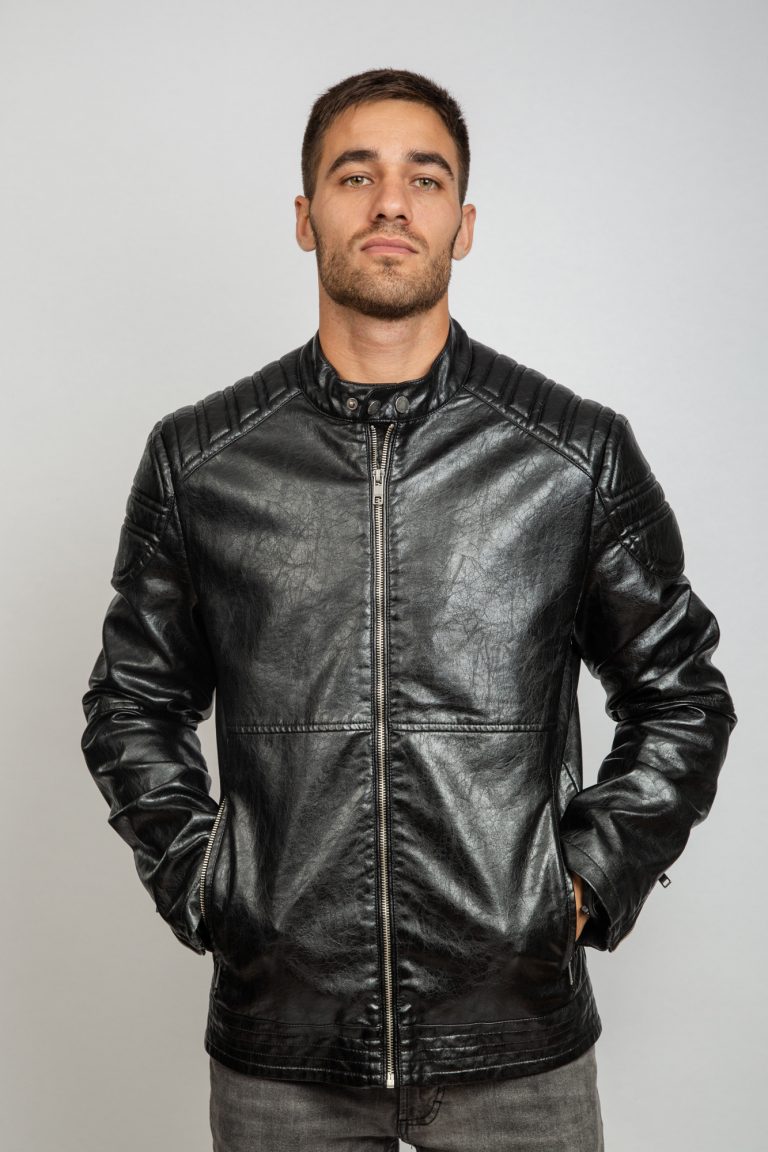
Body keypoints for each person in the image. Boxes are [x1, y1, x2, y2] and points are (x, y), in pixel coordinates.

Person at [80, 68, 737, 1151]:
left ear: (462, 224)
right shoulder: (202, 462)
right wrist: (208, 882)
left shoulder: (572, 455)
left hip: (517, 1041)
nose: (391, 202)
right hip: (285, 1045)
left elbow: (683, 696)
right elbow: (130, 705)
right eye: (357, 176)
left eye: (424, 179)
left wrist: (579, 885)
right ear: (306, 216)